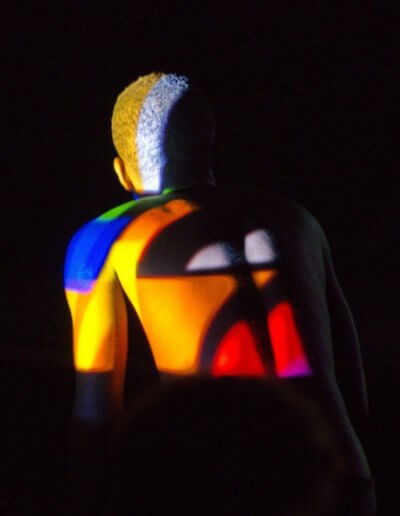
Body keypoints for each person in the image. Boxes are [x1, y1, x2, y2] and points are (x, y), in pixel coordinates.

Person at [64, 72, 375, 512]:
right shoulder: (297, 220)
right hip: (341, 474)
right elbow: (354, 388)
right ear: (209, 148)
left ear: (120, 170)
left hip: (229, 482)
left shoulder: (107, 237)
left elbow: (94, 417)